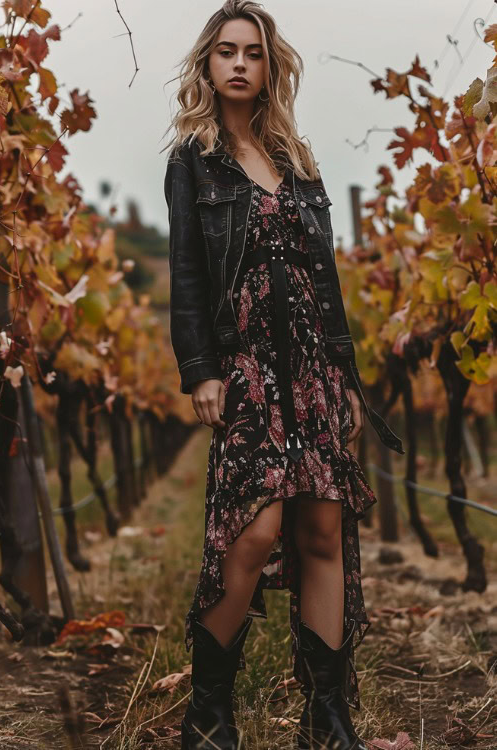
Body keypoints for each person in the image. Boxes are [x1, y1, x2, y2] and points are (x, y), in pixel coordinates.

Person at [163, 2, 404, 748]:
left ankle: (326, 716)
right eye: (226, 51)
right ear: (207, 64)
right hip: (246, 368)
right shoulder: (192, 161)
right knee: (256, 528)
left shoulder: (298, 162)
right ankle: (209, 712)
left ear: (272, 67)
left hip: (312, 365)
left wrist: (347, 377)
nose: (239, 63)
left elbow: (324, 280)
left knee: (324, 527)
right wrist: (200, 369)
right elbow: (187, 278)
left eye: (254, 53)